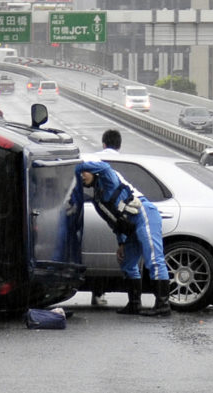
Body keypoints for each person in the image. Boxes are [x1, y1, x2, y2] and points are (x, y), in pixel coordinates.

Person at [72, 159, 171, 317]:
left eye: (85, 172)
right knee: (127, 263)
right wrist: (122, 243)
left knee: (153, 259)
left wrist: (77, 165)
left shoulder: (109, 178)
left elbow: (104, 166)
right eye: (80, 175)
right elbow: (115, 223)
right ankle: (134, 304)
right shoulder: (98, 199)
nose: (82, 176)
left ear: (94, 172)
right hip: (129, 228)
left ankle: (163, 305)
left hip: (144, 215)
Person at [89, 128, 122, 306]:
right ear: (119, 145)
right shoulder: (121, 162)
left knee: (95, 260)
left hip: (101, 211)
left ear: (103, 144)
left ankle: (97, 292)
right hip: (119, 211)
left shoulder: (94, 159)